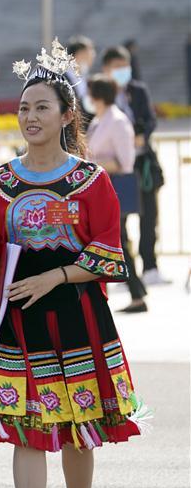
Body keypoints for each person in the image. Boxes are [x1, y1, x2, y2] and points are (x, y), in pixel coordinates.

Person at [0, 41, 143, 488]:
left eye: (42, 107)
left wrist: (57, 275)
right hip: (20, 325)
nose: (30, 117)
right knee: (26, 430)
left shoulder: (91, 181)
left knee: (78, 426)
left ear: (67, 115)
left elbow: (109, 251)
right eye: (24, 108)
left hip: (78, 318)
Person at [100, 46, 167, 286]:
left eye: (124, 67)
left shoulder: (138, 90)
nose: (121, 72)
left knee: (149, 216)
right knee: (119, 221)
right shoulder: (101, 93)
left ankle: (150, 267)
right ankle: (125, 273)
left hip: (142, 164)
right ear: (106, 69)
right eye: (116, 67)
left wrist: (143, 135)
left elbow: (150, 119)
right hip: (115, 167)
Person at [86, 74, 147, 313]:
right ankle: (136, 292)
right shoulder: (99, 120)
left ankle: (137, 293)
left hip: (115, 189)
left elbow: (126, 162)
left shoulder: (117, 121)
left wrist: (95, 163)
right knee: (116, 240)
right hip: (99, 191)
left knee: (118, 240)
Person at [65, 36, 96, 125]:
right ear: (78, 54)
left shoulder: (86, 79)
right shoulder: (62, 79)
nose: (91, 58)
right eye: (88, 54)